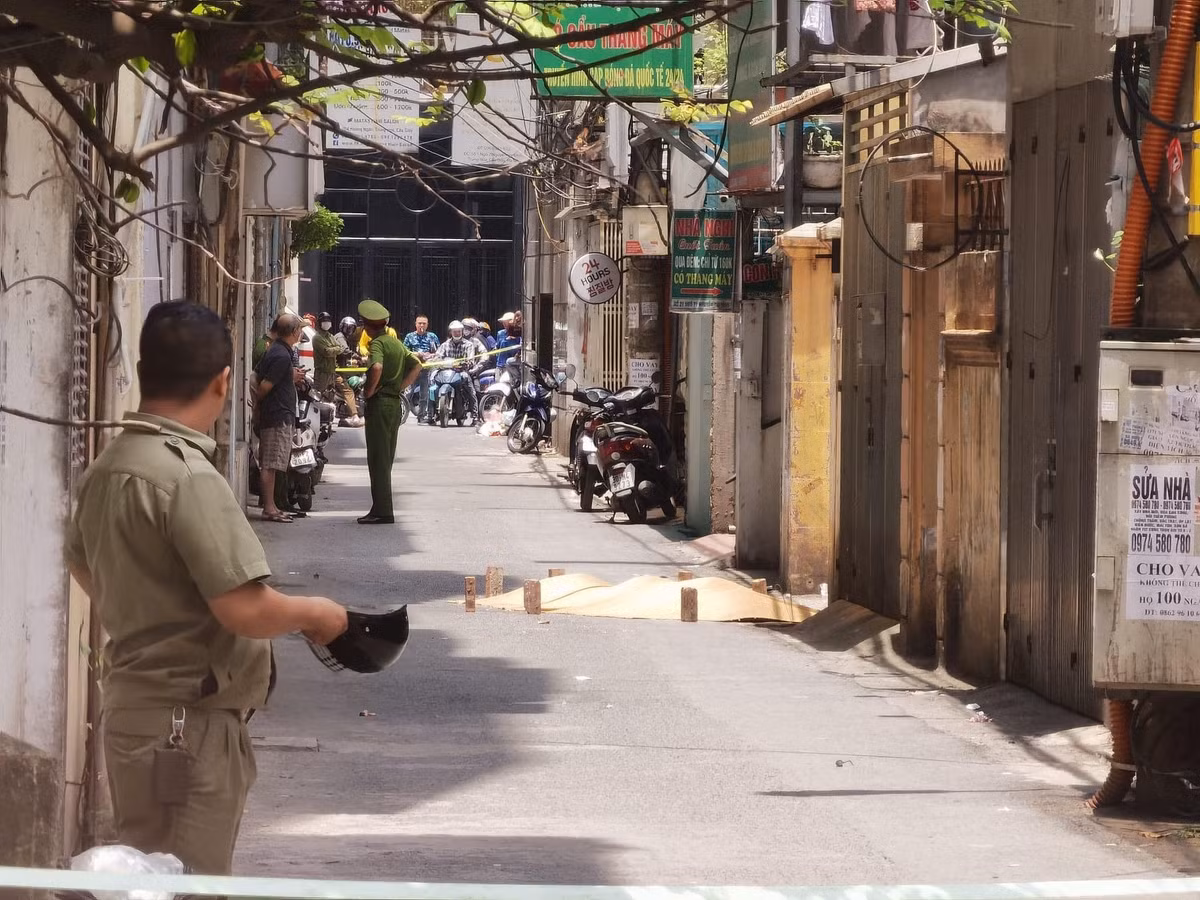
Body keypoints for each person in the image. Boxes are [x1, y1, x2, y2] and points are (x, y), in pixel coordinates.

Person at [65, 301, 348, 876]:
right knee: (184, 884)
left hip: (139, 714)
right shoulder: (188, 476)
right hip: (185, 726)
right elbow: (245, 608)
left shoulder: (110, 466)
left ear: (145, 373)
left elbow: (83, 565)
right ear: (223, 383)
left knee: (147, 882)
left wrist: (150, 612)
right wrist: (319, 613)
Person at [359, 299, 422, 525]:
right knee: (386, 457)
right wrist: (401, 386)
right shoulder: (396, 343)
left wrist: (369, 391)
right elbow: (417, 365)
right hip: (394, 403)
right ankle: (380, 507)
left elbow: (376, 367)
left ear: (367, 325)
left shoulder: (377, 344)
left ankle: (382, 511)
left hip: (380, 404)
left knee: (378, 459)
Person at [254, 314, 304, 523]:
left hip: (278, 414)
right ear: (293, 333)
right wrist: (259, 405)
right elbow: (264, 386)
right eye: (299, 330)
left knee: (273, 463)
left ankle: (272, 506)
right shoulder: (281, 355)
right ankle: (269, 508)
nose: (300, 333)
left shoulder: (278, 350)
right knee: (271, 463)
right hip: (276, 416)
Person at [313, 311, 362, 426]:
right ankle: (354, 416)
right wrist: (336, 349)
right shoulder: (319, 337)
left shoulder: (330, 336)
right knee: (344, 391)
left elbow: (338, 349)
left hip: (331, 371)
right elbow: (330, 351)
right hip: (325, 372)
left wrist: (334, 349)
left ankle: (327, 422)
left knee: (328, 396)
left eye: (351, 328)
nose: (348, 330)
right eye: (346, 327)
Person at [433, 319, 485, 422]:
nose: (457, 333)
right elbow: (438, 356)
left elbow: (471, 359)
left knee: (471, 390)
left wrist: (466, 363)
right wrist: (436, 361)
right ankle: (431, 413)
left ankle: (475, 416)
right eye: (454, 331)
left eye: (458, 331)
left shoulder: (468, 344)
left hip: (461, 372)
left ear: (461, 332)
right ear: (451, 332)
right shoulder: (445, 345)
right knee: (433, 383)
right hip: (445, 372)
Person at [403, 314, 440, 424]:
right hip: (412, 368)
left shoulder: (432, 336)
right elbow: (404, 351)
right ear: (415, 324)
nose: (421, 325)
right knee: (407, 392)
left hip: (426, 369)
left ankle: (422, 416)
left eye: (424, 323)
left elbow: (438, 352)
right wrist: (417, 354)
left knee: (424, 393)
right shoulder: (409, 336)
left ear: (427, 325)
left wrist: (430, 356)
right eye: (419, 323)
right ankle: (401, 413)